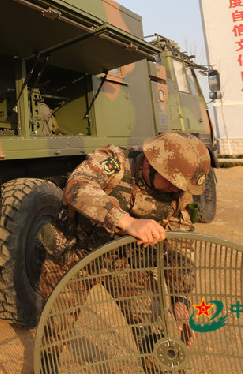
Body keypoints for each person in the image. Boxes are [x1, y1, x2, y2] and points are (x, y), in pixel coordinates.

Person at [37, 132, 210, 373]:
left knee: (152, 325)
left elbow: (179, 246)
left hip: (127, 260)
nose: (176, 188)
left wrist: (180, 298)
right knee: (56, 322)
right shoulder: (113, 161)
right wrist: (127, 222)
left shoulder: (179, 192)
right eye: (172, 181)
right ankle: (46, 366)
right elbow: (77, 187)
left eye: (180, 185)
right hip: (76, 252)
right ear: (150, 164)